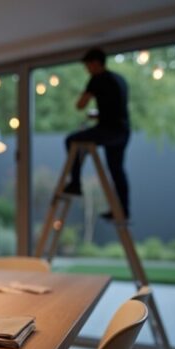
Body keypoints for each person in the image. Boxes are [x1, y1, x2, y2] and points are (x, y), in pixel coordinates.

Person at [64, 47, 131, 220]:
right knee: (117, 171)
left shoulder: (97, 79)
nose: (87, 69)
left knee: (72, 140)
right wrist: (99, 115)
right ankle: (123, 210)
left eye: (87, 65)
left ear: (94, 63)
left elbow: (80, 105)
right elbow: (116, 109)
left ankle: (75, 184)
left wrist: (87, 98)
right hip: (122, 131)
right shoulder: (120, 80)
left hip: (108, 130)